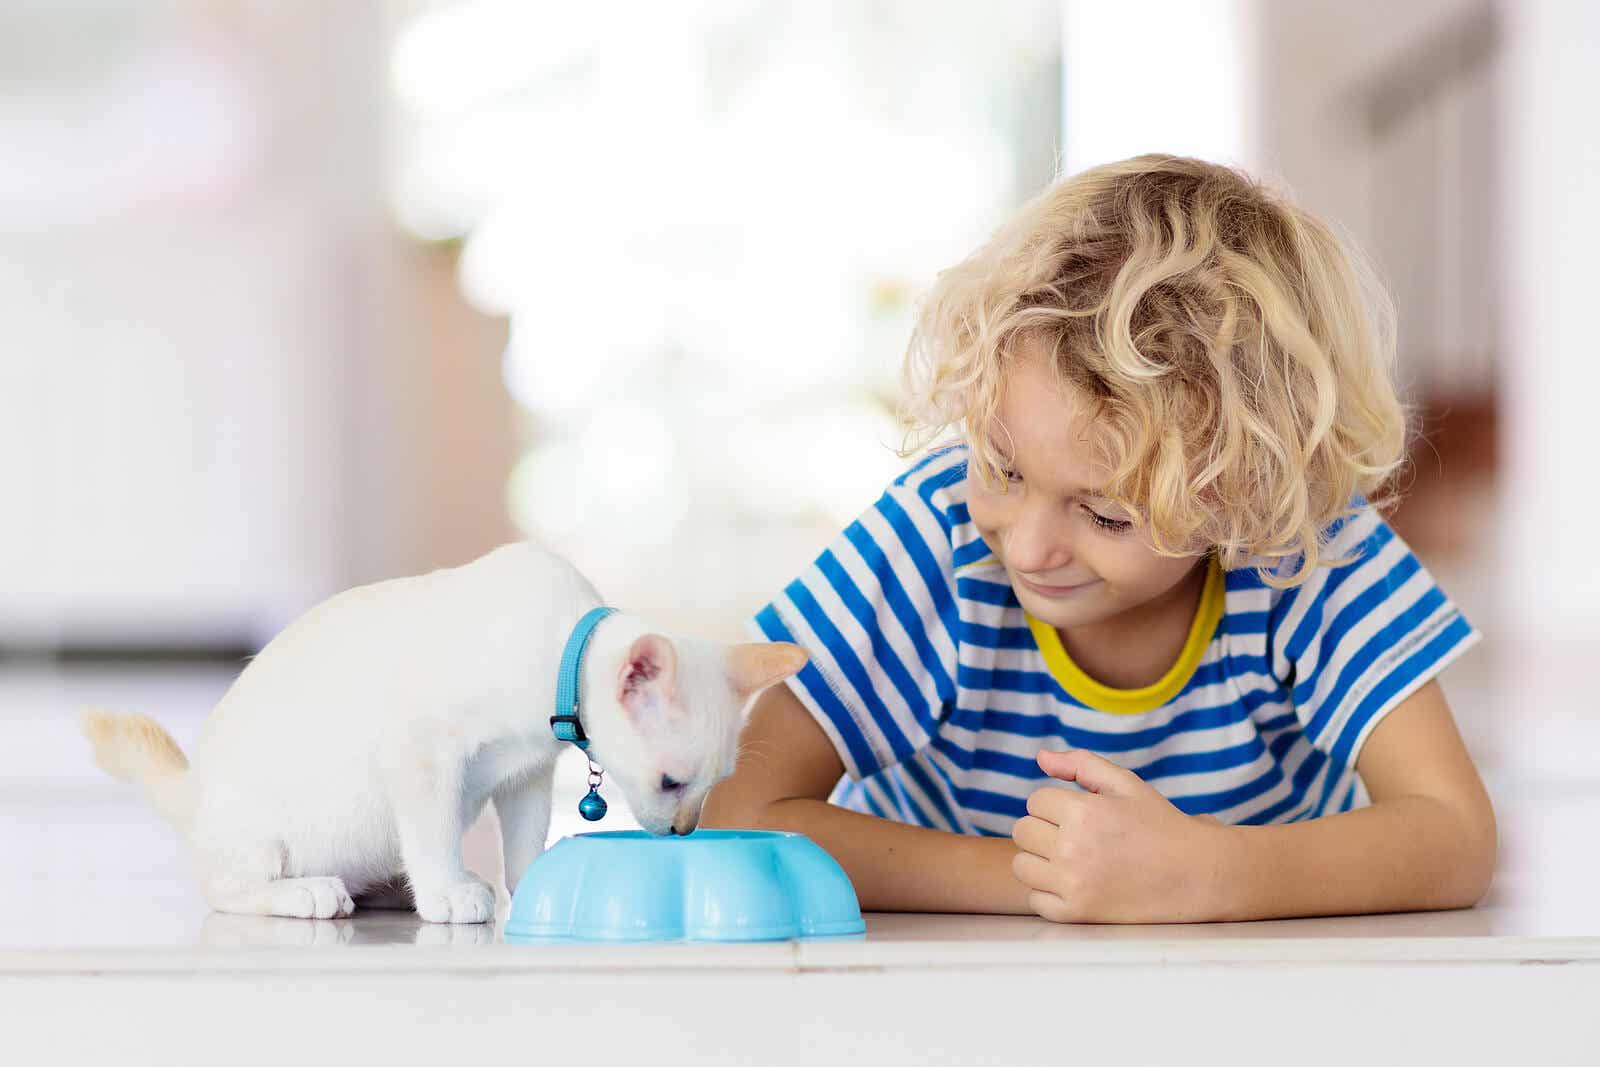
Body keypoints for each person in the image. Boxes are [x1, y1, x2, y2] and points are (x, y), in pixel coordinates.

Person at [701, 153, 1496, 923]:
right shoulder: (936, 533)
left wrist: (1208, 876)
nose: (1026, 548)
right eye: (1002, 469)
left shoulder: (1305, 546)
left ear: (1243, 488)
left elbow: (1455, 833)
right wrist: (1057, 880)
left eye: (1106, 514)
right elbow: (737, 813)